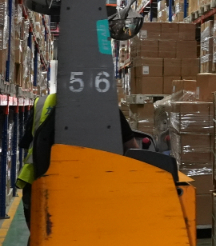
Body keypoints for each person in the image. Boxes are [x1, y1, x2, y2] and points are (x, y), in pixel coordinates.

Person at [17, 93, 141, 227]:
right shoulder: (108, 110)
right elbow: (132, 149)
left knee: (41, 233)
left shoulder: (42, 103)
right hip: (94, 191)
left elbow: (27, 143)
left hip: (40, 182)